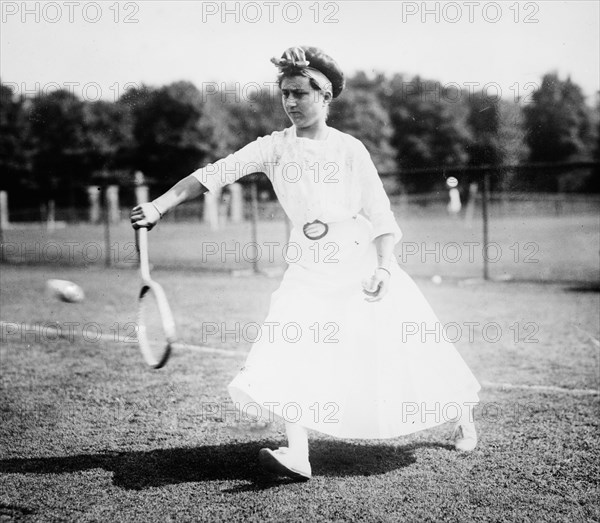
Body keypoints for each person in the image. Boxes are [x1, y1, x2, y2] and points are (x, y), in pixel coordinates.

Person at [130, 46, 481, 481]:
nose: (291, 102)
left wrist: (384, 267)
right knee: (285, 342)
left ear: (325, 95)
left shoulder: (351, 150)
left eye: (300, 93)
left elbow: (381, 215)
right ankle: (298, 455)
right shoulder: (272, 147)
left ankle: (463, 414)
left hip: (359, 259)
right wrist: (159, 206)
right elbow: (212, 175)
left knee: (408, 346)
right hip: (306, 264)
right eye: (284, 94)